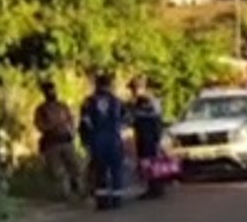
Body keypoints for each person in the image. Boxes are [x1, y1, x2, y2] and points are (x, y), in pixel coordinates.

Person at [79, 74, 127, 210]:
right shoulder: (116, 101)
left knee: (100, 169)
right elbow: (125, 119)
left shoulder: (88, 102)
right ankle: (117, 198)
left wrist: (85, 140)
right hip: (114, 138)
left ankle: (102, 200)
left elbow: (85, 123)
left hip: (97, 138)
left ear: (96, 85)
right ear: (109, 85)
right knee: (116, 168)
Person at [33, 81, 81, 199]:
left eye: (53, 90)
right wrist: (52, 126)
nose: (51, 92)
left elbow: (71, 120)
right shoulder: (41, 109)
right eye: (48, 91)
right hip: (52, 143)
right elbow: (39, 125)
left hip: (66, 140)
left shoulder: (62, 106)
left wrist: (71, 131)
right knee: (58, 171)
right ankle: (64, 194)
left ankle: (77, 190)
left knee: (75, 167)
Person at [128, 77, 168, 198]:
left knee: (149, 161)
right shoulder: (152, 100)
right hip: (149, 135)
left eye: (134, 89)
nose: (132, 92)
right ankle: (155, 186)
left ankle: (154, 187)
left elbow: (141, 118)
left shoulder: (144, 101)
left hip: (147, 136)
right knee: (151, 160)